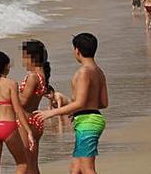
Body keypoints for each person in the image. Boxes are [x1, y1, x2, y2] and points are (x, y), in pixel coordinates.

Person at [34, 33, 108, 174]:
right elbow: (104, 103)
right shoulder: (99, 72)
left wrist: (50, 113)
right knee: (75, 168)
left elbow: (79, 103)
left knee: (87, 169)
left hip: (87, 122)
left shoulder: (83, 72)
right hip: (92, 119)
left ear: (77, 50)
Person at [0, 51, 35, 172]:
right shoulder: (10, 84)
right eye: (8, 65)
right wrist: (29, 131)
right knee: (22, 163)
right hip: (8, 127)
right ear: (4, 66)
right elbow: (18, 110)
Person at [18, 40, 53, 173]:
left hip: (25, 121)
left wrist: (10, 91)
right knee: (32, 164)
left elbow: (23, 102)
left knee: (25, 163)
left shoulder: (33, 77)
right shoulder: (42, 76)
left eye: (24, 56)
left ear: (30, 57)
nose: (23, 61)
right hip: (35, 121)